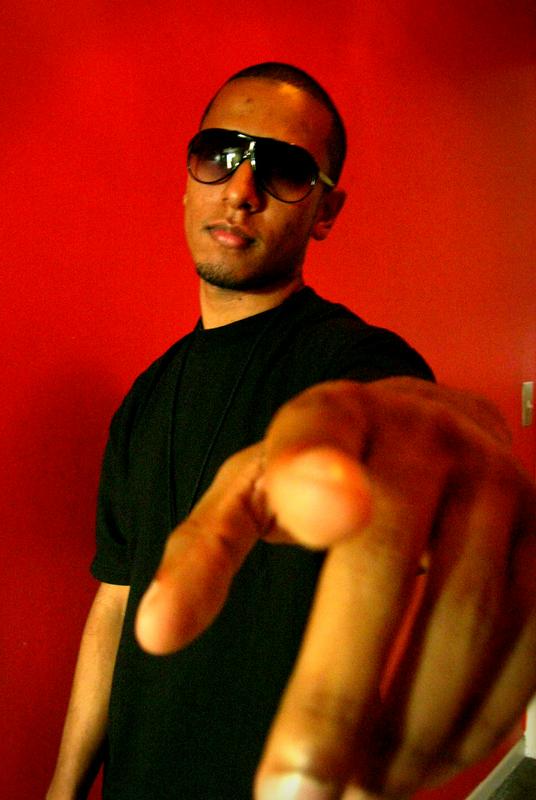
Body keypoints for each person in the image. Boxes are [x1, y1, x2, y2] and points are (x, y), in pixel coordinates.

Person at [47, 63, 536, 800]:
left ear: (325, 211)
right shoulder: (145, 398)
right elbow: (115, 604)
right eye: (220, 154)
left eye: (284, 170)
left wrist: (462, 477)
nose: (241, 189)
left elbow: (412, 438)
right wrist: (64, 789)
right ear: (188, 179)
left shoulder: (357, 369)